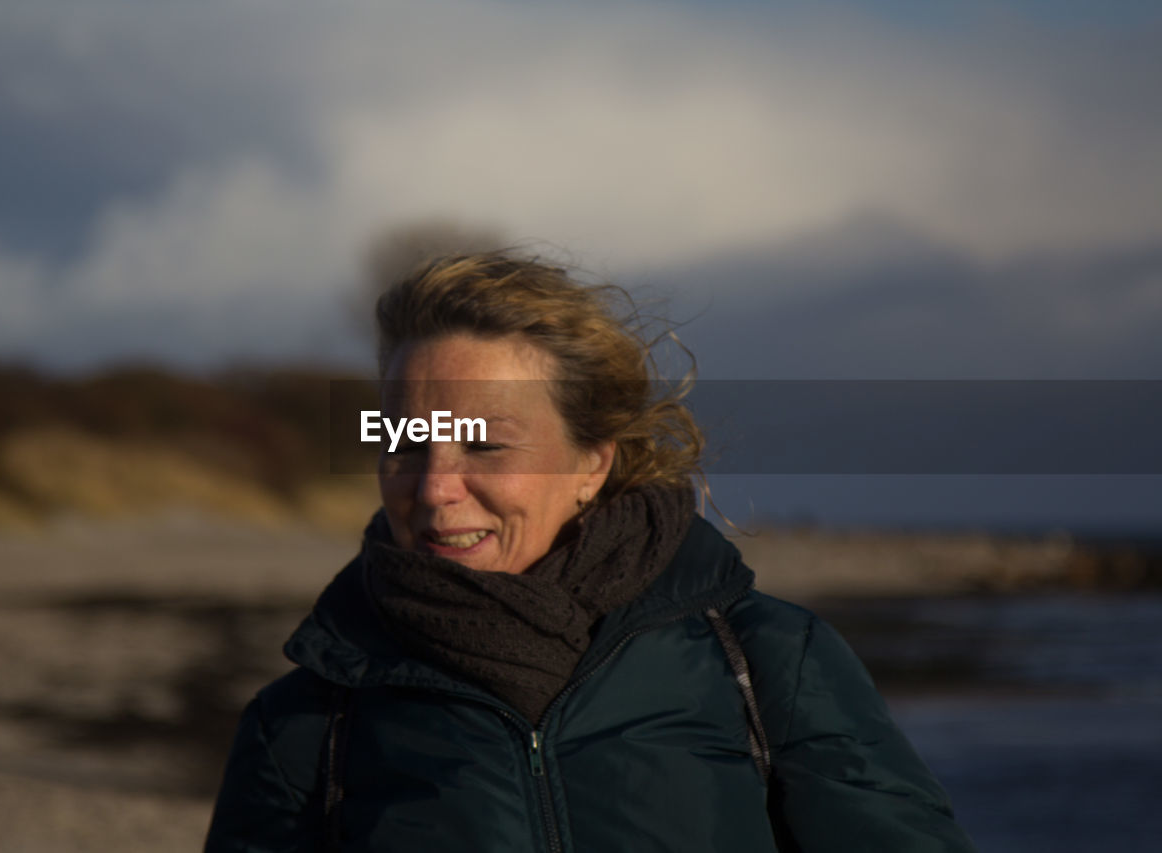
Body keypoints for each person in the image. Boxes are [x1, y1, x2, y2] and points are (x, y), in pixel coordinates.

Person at [204, 253, 978, 852]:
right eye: (405, 444)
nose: (436, 487)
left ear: (591, 464)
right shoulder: (308, 721)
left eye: (488, 446)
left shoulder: (769, 664)